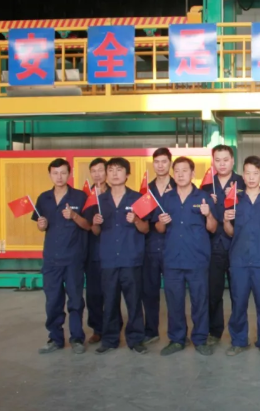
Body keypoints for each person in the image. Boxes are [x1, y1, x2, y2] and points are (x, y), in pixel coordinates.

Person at [153, 157, 218, 356]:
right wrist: (162, 222)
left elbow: (213, 228)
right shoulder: (167, 198)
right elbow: (159, 228)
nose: (181, 175)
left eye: (185, 170)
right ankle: (177, 339)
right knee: (174, 301)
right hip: (173, 258)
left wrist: (208, 214)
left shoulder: (203, 197)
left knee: (200, 301)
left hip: (197, 258)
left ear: (192, 174)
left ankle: (200, 339)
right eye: (177, 171)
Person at [224, 156, 260, 357]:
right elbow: (230, 232)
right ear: (243, 174)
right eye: (247, 173)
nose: (251, 177)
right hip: (239, 260)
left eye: (255, 173)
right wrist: (226, 221)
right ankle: (239, 341)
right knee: (238, 302)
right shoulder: (234, 199)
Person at [91, 157, 150, 355]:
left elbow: (145, 229)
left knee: (134, 301)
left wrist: (136, 220)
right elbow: (95, 232)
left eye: (119, 170)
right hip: (108, 259)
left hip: (131, 258)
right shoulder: (100, 200)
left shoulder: (138, 198)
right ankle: (110, 339)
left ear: (127, 174)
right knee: (109, 301)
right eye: (111, 170)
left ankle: (136, 339)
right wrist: (95, 223)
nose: (115, 174)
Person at [33, 158, 90, 354]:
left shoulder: (80, 197)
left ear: (69, 174)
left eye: (63, 173)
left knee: (75, 301)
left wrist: (74, 216)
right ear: (50, 175)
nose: (59, 177)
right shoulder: (43, 198)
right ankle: (55, 339)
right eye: (55, 173)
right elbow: (42, 226)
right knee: (53, 301)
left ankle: (77, 338)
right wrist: (41, 226)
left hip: (73, 258)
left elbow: (88, 225)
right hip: (51, 259)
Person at [201, 145, 246, 346]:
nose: (222, 164)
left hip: (237, 245)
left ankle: (238, 334)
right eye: (217, 160)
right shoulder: (205, 186)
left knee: (238, 293)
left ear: (233, 160)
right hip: (213, 246)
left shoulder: (243, 183)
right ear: (213, 162)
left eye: (225, 160)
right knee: (214, 292)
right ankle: (215, 331)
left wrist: (238, 197)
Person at [142, 148, 176, 345]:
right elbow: (142, 219)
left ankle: (176, 333)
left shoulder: (180, 186)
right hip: (151, 247)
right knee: (150, 291)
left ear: (170, 163)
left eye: (164, 161)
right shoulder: (147, 190)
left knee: (174, 293)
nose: (161, 165)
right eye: (157, 162)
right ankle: (151, 330)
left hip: (174, 247)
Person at [83, 157, 113, 344]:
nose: (97, 174)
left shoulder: (116, 193)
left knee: (112, 293)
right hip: (93, 251)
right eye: (93, 171)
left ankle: (112, 328)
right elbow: (84, 223)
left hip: (113, 251)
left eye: (101, 170)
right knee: (94, 294)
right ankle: (97, 329)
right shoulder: (86, 197)